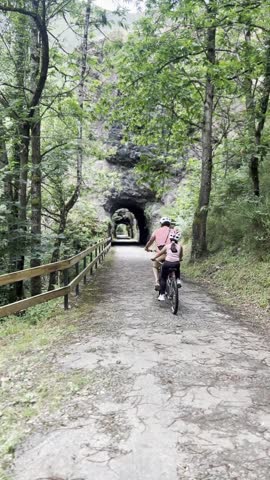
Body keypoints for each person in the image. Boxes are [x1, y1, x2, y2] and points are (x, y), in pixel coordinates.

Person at [152, 231, 183, 301]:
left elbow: (159, 253)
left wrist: (154, 258)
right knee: (177, 268)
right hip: (176, 264)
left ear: (170, 239)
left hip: (167, 264)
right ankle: (178, 280)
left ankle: (162, 295)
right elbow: (180, 256)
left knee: (163, 278)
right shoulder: (180, 247)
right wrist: (180, 259)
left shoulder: (167, 246)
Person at [145, 217, 173, 290]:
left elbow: (150, 241)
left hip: (162, 255)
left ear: (161, 224)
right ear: (169, 224)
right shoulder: (173, 231)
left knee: (155, 266)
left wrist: (146, 248)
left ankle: (157, 282)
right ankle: (174, 278)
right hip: (172, 255)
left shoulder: (156, 231)